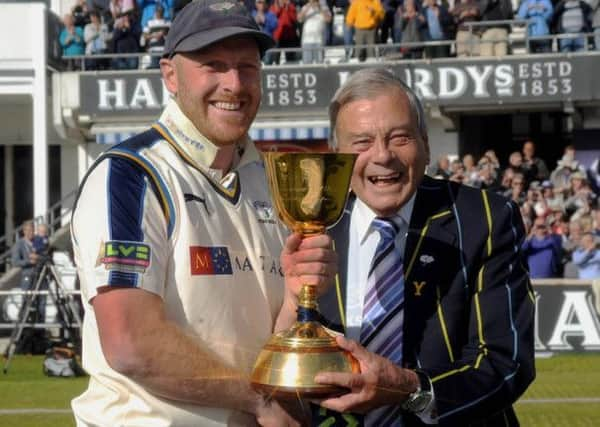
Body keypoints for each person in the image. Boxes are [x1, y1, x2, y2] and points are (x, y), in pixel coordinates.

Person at [70, 1, 336, 425]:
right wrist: (260, 400)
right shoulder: (131, 174)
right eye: (213, 65)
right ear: (170, 75)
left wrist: (297, 295)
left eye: (247, 67)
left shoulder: (269, 179)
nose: (234, 83)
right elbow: (130, 342)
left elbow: (274, 338)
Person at [312, 68, 535, 426]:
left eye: (399, 137)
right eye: (362, 142)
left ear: (426, 143)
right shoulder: (310, 225)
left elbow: (504, 362)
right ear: (336, 154)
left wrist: (410, 389)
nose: (382, 156)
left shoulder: (485, 219)